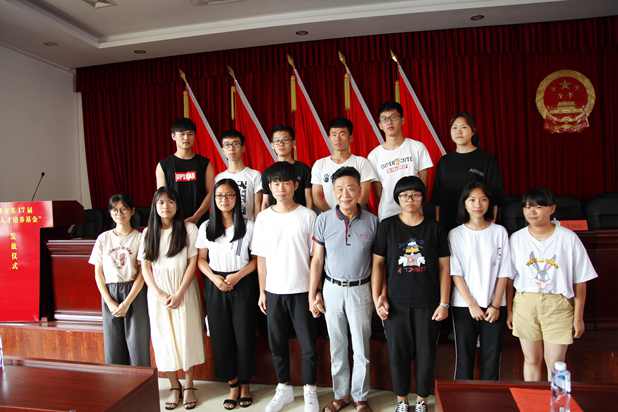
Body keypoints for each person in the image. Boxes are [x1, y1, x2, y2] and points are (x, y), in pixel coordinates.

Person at [371, 176, 450, 412]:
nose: (410, 199)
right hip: (396, 303)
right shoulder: (387, 226)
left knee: (426, 353)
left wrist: (444, 303)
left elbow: (445, 267)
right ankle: (402, 400)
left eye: (415, 194)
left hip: (428, 303)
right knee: (398, 354)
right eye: (404, 195)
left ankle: (422, 400)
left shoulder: (434, 228)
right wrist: (377, 298)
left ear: (422, 198)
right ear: (397, 198)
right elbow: (378, 264)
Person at [506, 188, 597, 381]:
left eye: (538, 207)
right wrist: (510, 311)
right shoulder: (516, 239)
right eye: (527, 207)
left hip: (558, 304)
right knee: (531, 360)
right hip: (525, 303)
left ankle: (556, 399)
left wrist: (578, 317)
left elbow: (581, 280)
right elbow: (509, 278)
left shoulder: (568, 238)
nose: (532, 212)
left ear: (552, 208)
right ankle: (532, 399)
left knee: (556, 363)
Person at [308, 166, 378, 412]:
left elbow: (378, 263)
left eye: (350, 188)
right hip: (332, 289)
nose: (345, 194)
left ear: (360, 191)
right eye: (339, 189)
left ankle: (360, 397)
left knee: (361, 347)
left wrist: (378, 294)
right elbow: (317, 260)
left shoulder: (372, 221)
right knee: (337, 346)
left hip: (361, 289)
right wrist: (313, 294)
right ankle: (341, 395)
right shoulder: (323, 220)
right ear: (333, 191)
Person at [251, 161, 319, 412]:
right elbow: (261, 258)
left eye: (285, 183)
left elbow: (315, 258)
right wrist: (262, 291)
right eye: (275, 183)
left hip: (302, 291)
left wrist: (315, 292)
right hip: (274, 290)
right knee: (277, 343)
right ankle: (284, 388)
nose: (280, 188)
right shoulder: (263, 218)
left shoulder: (308, 216)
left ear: (295, 185)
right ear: (269, 187)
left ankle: (310, 390)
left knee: (308, 345)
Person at [139, 187, 205, 410]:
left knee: (187, 336)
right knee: (163, 339)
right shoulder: (148, 233)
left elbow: (192, 263)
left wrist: (179, 293)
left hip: (183, 290)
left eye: (170, 202)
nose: (165, 206)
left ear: (177, 205)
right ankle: (174, 386)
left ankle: (189, 385)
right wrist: (159, 293)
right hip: (158, 294)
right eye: (161, 202)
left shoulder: (189, 229)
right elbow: (145, 267)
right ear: (154, 206)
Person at [196, 179, 257, 409]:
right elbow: (201, 260)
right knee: (221, 336)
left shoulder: (249, 225)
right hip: (216, 283)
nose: (224, 199)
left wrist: (238, 276)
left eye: (229, 195)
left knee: (244, 334)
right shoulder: (206, 227)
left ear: (236, 198)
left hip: (243, 282)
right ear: (214, 199)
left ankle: (245, 384)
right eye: (220, 195)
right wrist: (214, 279)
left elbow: (256, 260)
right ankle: (232, 384)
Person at [449, 182, 512, 380]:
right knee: (464, 357)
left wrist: (495, 304)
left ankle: (490, 396)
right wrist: (472, 304)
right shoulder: (455, 234)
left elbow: (504, 271)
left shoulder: (499, 232)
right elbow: (456, 273)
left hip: (495, 305)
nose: (478, 204)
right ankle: (461, 396)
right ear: (464, 203)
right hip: (464, 305)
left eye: (483, 199)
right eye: (472, 200)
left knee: (492, 357)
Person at [89, 193, 150, 367]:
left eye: (123, 209)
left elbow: (143, 272)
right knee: (113, 347)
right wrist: (109, 301)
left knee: (138, 345)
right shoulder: (103, 238)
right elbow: (98, 273)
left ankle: (141, 382)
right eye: (114, 210)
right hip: (110, 293)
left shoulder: (140, 237)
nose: (119, 213)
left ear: (132, 211)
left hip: (134, 292)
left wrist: (127, 302)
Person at [433, 112, 503, 233]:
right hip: (448, 223)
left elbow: (495, 195)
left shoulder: (486, 159)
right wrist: (438, 224)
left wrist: (491, 225)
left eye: (463, 127)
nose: (458, 132)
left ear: (473, 131)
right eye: (454, 128)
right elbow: (437, 197)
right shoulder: (444, 161)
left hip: (478, 224)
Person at [368, 102, 433, 221]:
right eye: (384, 119)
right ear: (380, 125)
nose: (389, 122)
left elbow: (423, 185)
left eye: (393, 117)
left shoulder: (417, 147)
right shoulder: (374, 155)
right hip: (388, 213)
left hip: (414, 212)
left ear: (402, 120)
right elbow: (378, 192)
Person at [156, 117, 215, 224]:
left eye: (190, 134)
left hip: (201, 221)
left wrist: (196, 217)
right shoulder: (163, 165)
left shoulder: (205, 163)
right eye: (182, 134)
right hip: (173, 221)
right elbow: (162, 197)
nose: (186, 138)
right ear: (173, 136)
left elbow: (211, 193)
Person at [311, 118, 377, 211]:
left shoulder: (361, 162)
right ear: (329, 138)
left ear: (350, 138)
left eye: (342, 134)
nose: (337, 138)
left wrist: (350, 214)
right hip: (329, 216)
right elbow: (317, 196)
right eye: (334, 135)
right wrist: (334, 215)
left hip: (356, 215)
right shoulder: (319, 164)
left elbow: (364, 195)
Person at [261, 124, 313, 209]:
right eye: (277, 141)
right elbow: (265, 202)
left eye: (285, 140)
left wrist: (309, 215)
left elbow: (309, 199)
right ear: (272, 145)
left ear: (293, 143)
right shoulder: (267, 172)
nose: (281, 143)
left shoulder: (304, 169)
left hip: (299, 215)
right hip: (275, 215)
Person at [215, 129, 263, 220]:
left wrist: (257, 226)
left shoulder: (255, 175)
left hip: (248, 225)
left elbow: (257, 206)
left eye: (236, 144)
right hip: (226, 226)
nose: (231, 148)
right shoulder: (219, 178)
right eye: (227, 145)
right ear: (223, 150)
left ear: (243, 148)